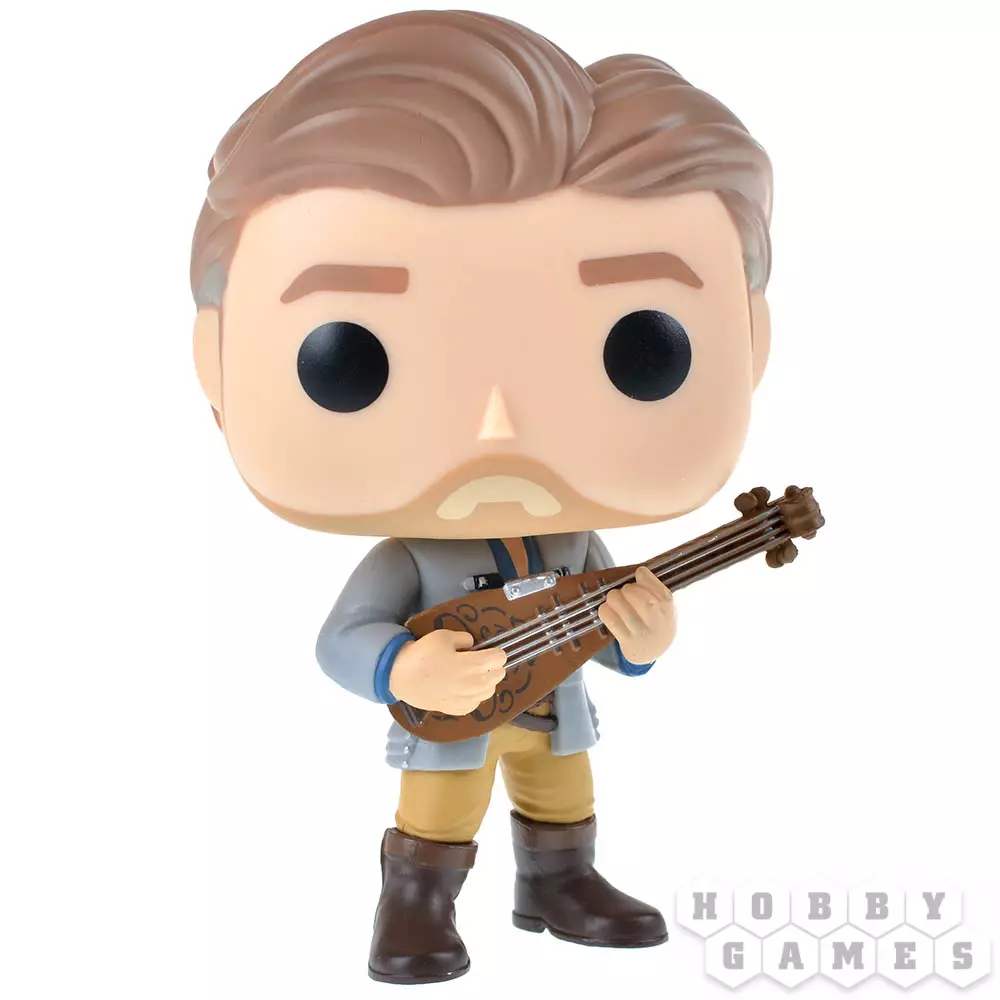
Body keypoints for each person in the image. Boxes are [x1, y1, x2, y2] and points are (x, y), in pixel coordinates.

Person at [191, 10, 773, 984]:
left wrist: (642, 637)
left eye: (643, 349)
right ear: (216, 362)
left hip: (555, 710)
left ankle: (560, 882)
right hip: (451, 727)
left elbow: (609, 621)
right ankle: (416, 903)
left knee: (562, 793)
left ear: (751, 342)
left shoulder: (575, 546)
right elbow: (340, 640)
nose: (498, 429)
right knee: (439, 813)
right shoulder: (411, 561)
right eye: (350, 357)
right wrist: (402, 667)